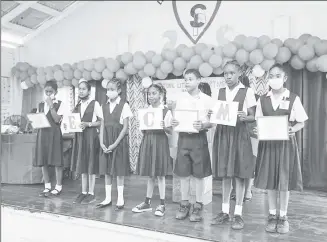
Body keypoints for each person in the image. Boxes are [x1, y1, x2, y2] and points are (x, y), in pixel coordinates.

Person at [253, 63, 308, 234]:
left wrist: (294, 129)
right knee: (270, 181)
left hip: (286, 145)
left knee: (283, 182)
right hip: (268, 145)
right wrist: (257, 131)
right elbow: (258, 122)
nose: (274, 79)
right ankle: (271, 215)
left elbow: (301, 122)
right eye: (271, 76)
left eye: (278, 76)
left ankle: (283, 217)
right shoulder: (262, 99)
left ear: (284, 78)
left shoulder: (293, 98)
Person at [210, 60, 257, 230]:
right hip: (223, 134)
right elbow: (215, 113)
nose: (228, 76)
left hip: (239, 134)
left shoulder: (247, 92)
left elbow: (253, 116)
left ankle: (238, 213)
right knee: (225, 174)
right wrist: (211, 114)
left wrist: (246, 116)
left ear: (238, 74)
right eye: (225, 73)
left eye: (231, 73)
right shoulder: (219, 91)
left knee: (238, 174)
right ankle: (224, 212)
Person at [171, 69, 214, 222]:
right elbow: (175, 120)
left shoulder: (207, 99)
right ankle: (184, 204)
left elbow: (213, 121)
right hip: (183, 138)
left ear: (198, 81)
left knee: (199, 174)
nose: (187, 82)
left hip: (198, 139)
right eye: (185, 79)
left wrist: (203, 125)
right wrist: (174, 122)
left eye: (190, 79)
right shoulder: (180, 99)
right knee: (184, 174)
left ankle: (198, 204)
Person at [132, 83, 172, 217]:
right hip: (148, 141)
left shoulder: (166, 111)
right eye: (149, 94)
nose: (151, 96)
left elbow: (171, 131)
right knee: (151, 174)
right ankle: (147, 202)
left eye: (154, 93)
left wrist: (164, 127)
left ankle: (162, 204)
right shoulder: (146, 111)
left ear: (161, 95)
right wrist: (141, 125)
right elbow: (144, 131)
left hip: (160, 142)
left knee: (160, 174)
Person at [96, 78, 133, 210]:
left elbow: (125, 128)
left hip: (118, 142)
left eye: (112, 89)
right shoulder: (103, 106)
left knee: (119, 171)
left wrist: (115, 144)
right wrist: (101, 143)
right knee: (107, 171)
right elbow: (101, 126)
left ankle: (120, 198)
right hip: (106, 141)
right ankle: (107, 198)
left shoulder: (124, 105)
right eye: (108, 89)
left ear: (118, 90)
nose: (109, 92)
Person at [69, 79, 102, 204]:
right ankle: (83, 192)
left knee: (91, 164)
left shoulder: (95, 104)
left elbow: (101, 121)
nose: (81, 91)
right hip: (80, 137)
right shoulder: (77, 105)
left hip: (91, 136)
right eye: (79, 89)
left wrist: (88, 124)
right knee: (82, 163)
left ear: (89, 91)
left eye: (83, 89)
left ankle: (91, 193)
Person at [230, 76, 260, 202]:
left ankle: (247, 190)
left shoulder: (254, 97)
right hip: (242, 133)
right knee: (237, 162)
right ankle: (238, 190)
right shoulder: (229, 96)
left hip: (250, 132)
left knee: (247, 163)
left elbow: (256, 117)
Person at [34, 80, 66, 197]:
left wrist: (51, 106)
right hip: (43, 134)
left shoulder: (60, 104)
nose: (48, 93)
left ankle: (58, 186)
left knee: (57, 161)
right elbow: (38, 120)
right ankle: (47, 185)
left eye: (50, 91)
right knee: (43, 160)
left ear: (55, 92)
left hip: (54, 133)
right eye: (46, 91)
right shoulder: (40, 104)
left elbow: (57, 120)